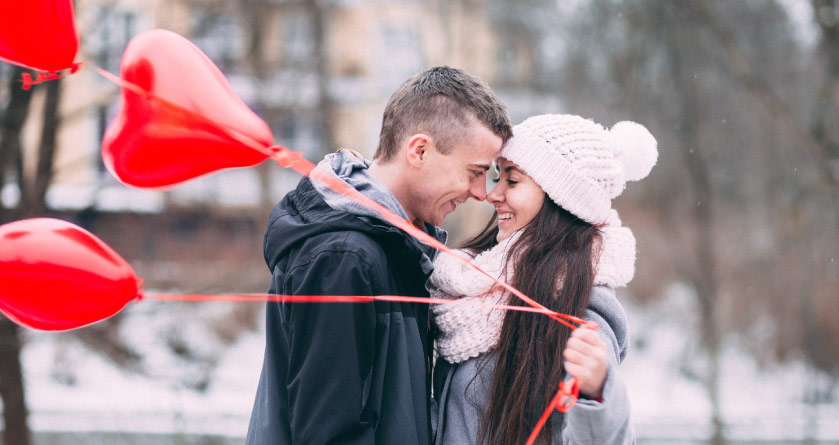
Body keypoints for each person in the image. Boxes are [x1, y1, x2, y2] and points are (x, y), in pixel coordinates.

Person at [246, 66, 512, 444]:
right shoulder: (343, 257)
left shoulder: (396, 248)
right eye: (475, 172)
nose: (481, 193)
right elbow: (330, 433)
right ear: (419, 150)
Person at [429, 114, 658, 444]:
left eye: (513, 180)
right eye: (498, 177)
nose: (493, 194)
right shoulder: (470, 290)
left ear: (560, 197)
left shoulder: (580, 305)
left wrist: (595, 391)